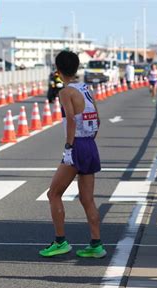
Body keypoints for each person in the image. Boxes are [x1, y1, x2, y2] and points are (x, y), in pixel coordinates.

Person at [39, 51, 106, 259]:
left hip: (76, 145)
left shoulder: (66, 92)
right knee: (88, 199)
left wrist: (69, 147)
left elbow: (70, 119)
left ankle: (60, 241)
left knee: (53, 194)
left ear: (58, 71)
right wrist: (89, 138)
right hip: (90, 144)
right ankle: (96, 244)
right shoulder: (86, 88)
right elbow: (97, 118)